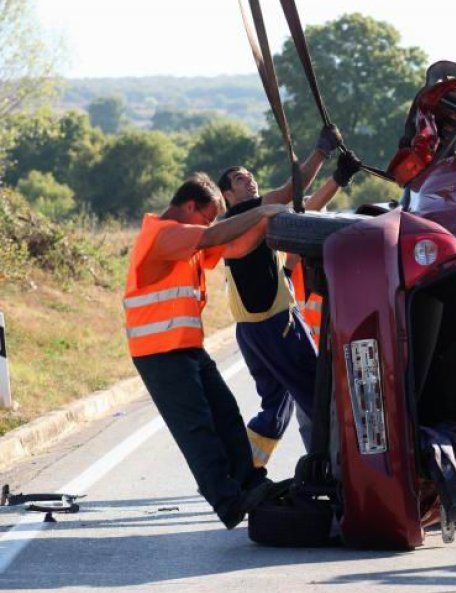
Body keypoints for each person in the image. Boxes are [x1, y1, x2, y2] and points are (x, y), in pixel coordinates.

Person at [124, 173, 287, 529]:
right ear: (189, 206)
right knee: (198, 429)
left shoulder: (188, 240)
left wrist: (274, 218)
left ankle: (251, 483)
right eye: (208, 215)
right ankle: (227, 503)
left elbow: (236, 246)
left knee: (226, 413)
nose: (211, 223)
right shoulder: (164, 235)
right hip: (159, 353)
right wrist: (262, 212)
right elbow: (215, 235)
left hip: (186, 348)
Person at [218, 133, 362, 468]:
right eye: (240, 179)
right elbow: (290, 194)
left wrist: (338, 179)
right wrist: (322, 152)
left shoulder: (238, 223)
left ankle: (242, 470)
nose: (249, 179)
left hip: (252, 333)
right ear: (228, 195)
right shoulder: (246, 215)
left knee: (275, 407)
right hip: (276, 326)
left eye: (249, 175)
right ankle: (341, 468)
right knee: (317, 394)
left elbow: (303, 209)